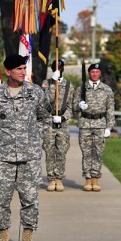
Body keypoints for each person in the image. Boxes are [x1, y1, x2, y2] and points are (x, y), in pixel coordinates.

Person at [0, 54, 51, 241]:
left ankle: (28, 238)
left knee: (30, 198)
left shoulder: (35, 92)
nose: (22, 72)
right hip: (2, 158)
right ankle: (3, 238)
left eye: (23, 68)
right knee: (2, 199)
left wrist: (36, 138)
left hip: (30, 156)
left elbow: (46, 118)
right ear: (8, 71)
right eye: (18, 68)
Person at [73, 63, 115, 192]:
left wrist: (109, 127)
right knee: (86, 153)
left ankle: (95, 178)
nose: (95, 74)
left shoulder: (106, 89)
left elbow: (110, 109)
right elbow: (73, 107)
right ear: (89, 73)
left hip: (100, 123)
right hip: (85, 123)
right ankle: (87, 179)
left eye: (97, 72)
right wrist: (79, 106)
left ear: (100, 73)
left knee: (98, 152)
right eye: (92, 72)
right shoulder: (81, 89)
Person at [41, 59, 74, 192]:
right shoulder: (46, 83)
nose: (57, 70)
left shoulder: (69, 85)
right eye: (55, 68)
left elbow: (71, 106)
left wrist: (63, 117)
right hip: (49, 121)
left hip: (63, 122)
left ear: (63, 69)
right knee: (49, 151)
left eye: (59, 68)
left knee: (61, 151)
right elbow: (44, 102)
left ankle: (59, 178)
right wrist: (52, 84)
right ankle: (51, 179)